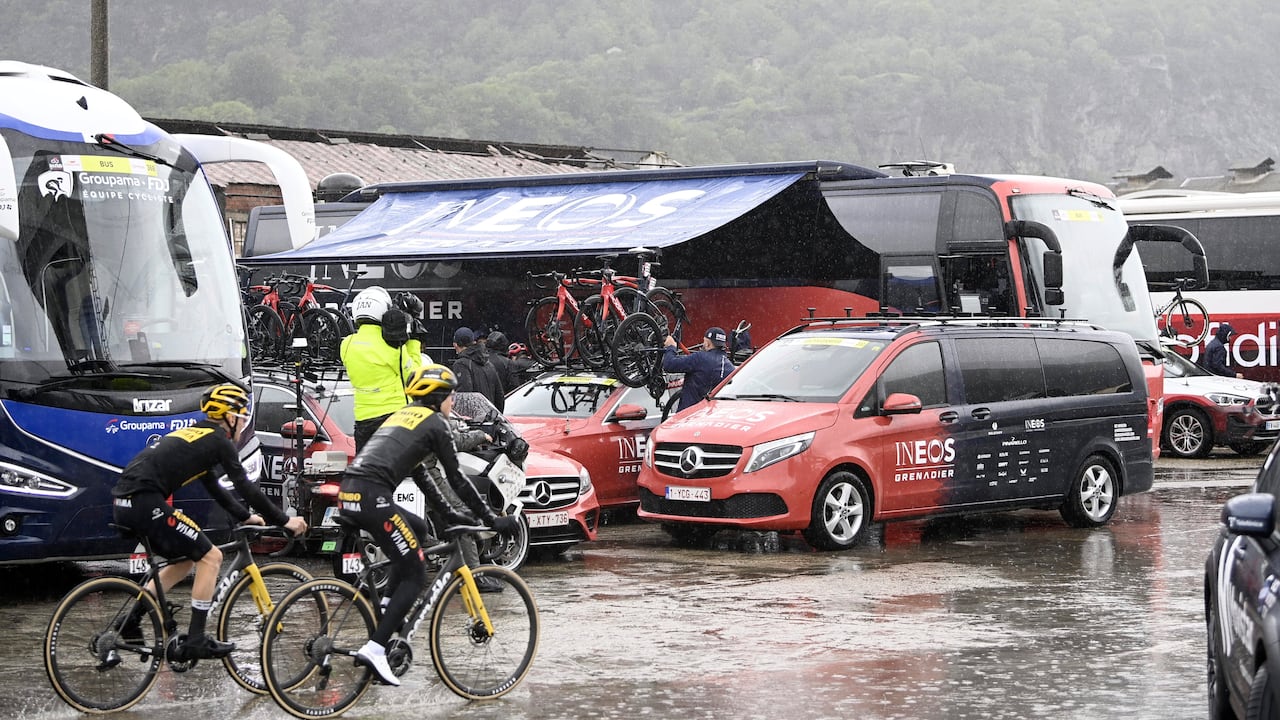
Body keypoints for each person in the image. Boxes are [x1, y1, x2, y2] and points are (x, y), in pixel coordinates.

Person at [340, 365, 521, 686]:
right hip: (373, 497)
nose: (453, 401)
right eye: (451, 396)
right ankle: (376, 648)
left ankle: (387, 604)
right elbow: (458, 481)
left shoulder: (404, 416)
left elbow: (425, 479)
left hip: (352, 493)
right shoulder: (436, 423)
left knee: (419, 530)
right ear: (438, 399)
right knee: (417, 570)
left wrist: (454, 517)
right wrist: (492, 519)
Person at [110, 383, 308, 658]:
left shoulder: (199, 435)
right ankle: (196, 639)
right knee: (211, 557)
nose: (242, 423)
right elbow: (245, 486)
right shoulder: (218, 440)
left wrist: (246, 516)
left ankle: (130, 620)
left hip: (126, 502)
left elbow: (215, 487)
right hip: (145, 501)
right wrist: (285, 520)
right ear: (229, 416)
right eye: (241, 416)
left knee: (185, 559)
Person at [341, 286, 427, 450]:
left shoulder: (347, 344)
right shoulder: (391, 346)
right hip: (394, 416)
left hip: (363, 420)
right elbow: (413, 375)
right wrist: (413, 341)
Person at [662, 326, 735, 412]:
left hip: (689, 417)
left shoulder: (700, 358)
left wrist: (671, 347)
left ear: (707, 343)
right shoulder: (731, 368)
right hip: (713, 417)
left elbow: (669, 365)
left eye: (704, 341)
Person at [451, 326, 505, 411]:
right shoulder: (488, 364)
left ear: (455, 345)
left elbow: (463, 397)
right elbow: (499, 395)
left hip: (473, 420)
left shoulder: (461, 364)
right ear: (473, 342)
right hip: (490, 418)